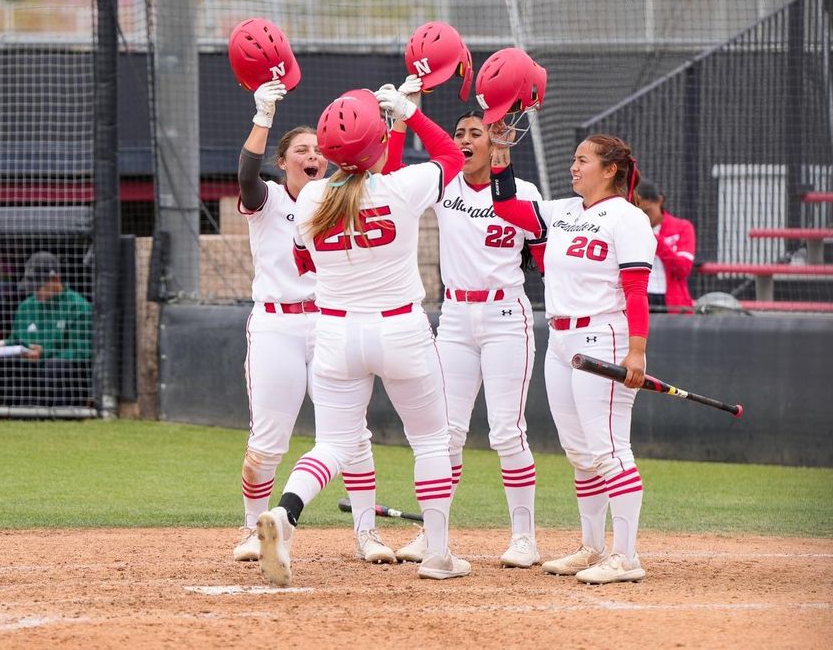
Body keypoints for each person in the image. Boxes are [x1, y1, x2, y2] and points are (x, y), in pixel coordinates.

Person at [256, 83, 467, 586]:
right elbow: (450, 155)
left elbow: (306, 256)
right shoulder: (401, 186)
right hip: (399, 330)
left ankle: (284, 515)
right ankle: (438, 555)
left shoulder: (309, 196)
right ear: (375, 145)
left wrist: (384, 131)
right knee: (431, 441)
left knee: (332, 443)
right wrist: (407, 114)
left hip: (335, 332)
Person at [381, 69, 547, 568]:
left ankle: (525, 538)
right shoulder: (444, 182)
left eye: (476, 131)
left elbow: (541, 254)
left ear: (495, 136)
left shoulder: (525, 193)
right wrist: (398, 121)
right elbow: (389, 179)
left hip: (504, 314)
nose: (466, 139)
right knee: (445, 431)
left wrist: (504, 158)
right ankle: (434, 539)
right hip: (453, 316)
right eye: (460, 133)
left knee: (506, 431)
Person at [231, 76, 394, 566]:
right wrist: (263, 117)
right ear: (284, 163)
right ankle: (254, 531)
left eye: (318, 149)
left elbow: (383, 174)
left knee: (352, 435)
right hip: (277, 326)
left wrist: (391, 120)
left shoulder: (336, 198)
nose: (312, 154)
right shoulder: (270, 201)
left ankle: (367, 536)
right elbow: (244, 177)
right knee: (265, 443)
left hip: (329, 322)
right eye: (301, 149)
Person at [489, 130, 657, 585]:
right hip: (561, 340)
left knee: (608, 449)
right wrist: (501, 152)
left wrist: (637, 351)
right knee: (581, 453)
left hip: (604, 335)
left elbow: (636, 289)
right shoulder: (562, 211)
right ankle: (592, 548)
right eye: (574, 159)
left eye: (584, 160)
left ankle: (626, 557)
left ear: (610, 170)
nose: (574, 166)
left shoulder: (627, 218)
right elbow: (505, 206)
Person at [0, 251, 93, 406]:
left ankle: (59, 416)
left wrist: (44, 354)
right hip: (26, 371)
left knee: (55, 366)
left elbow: (82, 351)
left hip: (60, 374)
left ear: (55, 279)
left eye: (39, 286)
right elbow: (15, 340)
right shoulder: (25, 307)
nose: (35, 291)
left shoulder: (78, 307)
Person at [634, 182, 696, 314]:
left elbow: (683, 268)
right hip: (638, 300)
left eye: (647, 212)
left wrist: (655, 240)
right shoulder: (629, 230)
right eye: (638, 213)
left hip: (672, 303)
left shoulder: (682, 227)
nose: (643, 217)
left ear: (660, 201)